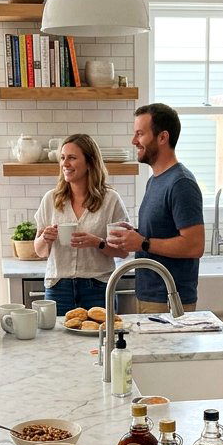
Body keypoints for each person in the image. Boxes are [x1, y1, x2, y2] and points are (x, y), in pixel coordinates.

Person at [107, 103, 205, 312]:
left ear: (162, 137)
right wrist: (134, 236)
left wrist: (143, 243)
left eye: (140, 134)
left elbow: (195, 246)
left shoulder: (181, 183)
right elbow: (160, 233)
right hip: (150, 294)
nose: (134, 141)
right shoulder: (156, 180)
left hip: (170, 299)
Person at [33, 134, 130, 315]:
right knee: (57, 342)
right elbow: (39, 251)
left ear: (89, 162)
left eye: (72, 158)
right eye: (63, 158)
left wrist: (97, 242)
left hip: (98, 288)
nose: (65, 163)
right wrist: (45, 239)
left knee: (99, 340)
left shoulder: (110, 200)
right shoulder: (51, 199)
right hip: (58, 288)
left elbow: (123, 251)